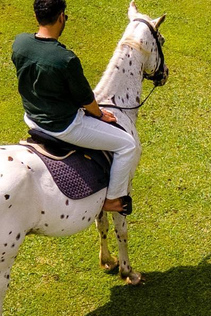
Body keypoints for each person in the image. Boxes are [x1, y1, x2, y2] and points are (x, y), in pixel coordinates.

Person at [11, 0, 137, 213]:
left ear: (36, 17)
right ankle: (113, 199)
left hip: (32, 117)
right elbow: (86, 100)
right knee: (127, 145)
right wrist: (100, 115)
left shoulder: (20, 43)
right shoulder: (65, 59)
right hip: (63, 126)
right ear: (61, 17)